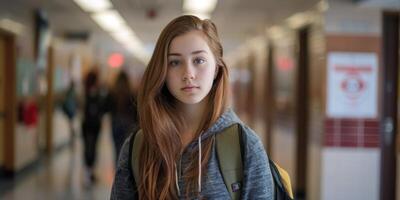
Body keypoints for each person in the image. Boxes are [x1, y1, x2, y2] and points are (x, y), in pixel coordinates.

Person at [110, 15, 274, 199]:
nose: (188, 74)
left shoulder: (244, 145)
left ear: (217, 68)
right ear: (162, 71)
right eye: (175, 62)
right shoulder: (139, 146)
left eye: (199, 60)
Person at [106, 70, 138, 165]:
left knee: (116, 147)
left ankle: (117, 166)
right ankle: (124, 168)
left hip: (115, 122)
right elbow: (135, 110)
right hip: (128, 124)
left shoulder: (112, 92)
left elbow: (107, 107)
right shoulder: (131, 93)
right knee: (125, 148)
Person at [82, 68, 104, 184]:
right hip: (91, 126)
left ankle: (90, 174)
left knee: (91, 149)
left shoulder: (87, 91)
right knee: (90, 149)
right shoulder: (92, 92)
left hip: (90, 125)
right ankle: (87, 175)